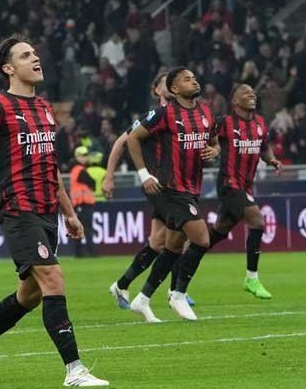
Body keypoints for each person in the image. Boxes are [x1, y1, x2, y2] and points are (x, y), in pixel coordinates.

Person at [0, 38, 107, 387]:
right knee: (54, 279)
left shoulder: (46, 108)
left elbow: (50, 169)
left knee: (30, 294)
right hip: (17, 210)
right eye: (25, 56)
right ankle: (74, 369)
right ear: (8, 68)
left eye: (35, 54)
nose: (35, 58)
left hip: (47, 211)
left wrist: (69, 214)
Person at [121, 67, 220, 322]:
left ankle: (142, 299)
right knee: (201, 239)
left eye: (194, 77)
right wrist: (144, 174)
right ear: (174, 89)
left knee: (173, 247)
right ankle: (178, 294)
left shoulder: (207, 112)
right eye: (186, 79)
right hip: (170, 189)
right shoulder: (164, 113)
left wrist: (215, 151)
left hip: (192, 187)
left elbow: (214, 141)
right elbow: (132, 138)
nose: (193, 80)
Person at [106, 72, 196, 315]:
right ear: (158, 91)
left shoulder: (183, 117)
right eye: (164, 82)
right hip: (157, 185)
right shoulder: (151, 117)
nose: (169, 84)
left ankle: (122, 284)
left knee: (158, 242)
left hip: (174, 186)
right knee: (184, 234)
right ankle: (176, 291)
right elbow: (121, 143)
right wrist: (109, 176)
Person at [206, 84, 283, 300]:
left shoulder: (259, 122)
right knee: (257, 221)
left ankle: (184, 260)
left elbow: (264, 146)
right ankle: (251, 278)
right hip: (229, 184)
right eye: (245, 93)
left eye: (253, 93)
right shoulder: (224, 122)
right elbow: (209, 140)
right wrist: (213, 149)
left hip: (246, 185)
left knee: (216, 233)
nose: (252, 95)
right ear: (235, 101)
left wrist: (271, 159)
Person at [69, 146, 97, 258]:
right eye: (83, 155)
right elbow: (92, 183)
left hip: (81, 204)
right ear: (78, 157)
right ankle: (90, 252)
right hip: (82, 203)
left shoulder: (77, 169)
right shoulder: (79, 170)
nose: (86, 158)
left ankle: (80, 253)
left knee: (81, 229)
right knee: (86, 229)